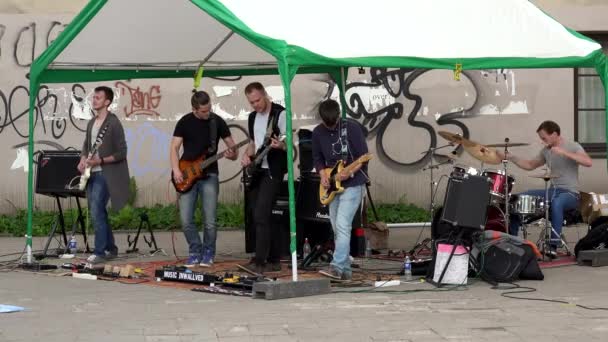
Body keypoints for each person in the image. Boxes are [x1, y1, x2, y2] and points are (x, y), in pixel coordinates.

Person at [499, 120, 592, 257]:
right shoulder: (546, 151)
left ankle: (553, 245)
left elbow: (588, 162)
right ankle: (513, 241)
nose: (542, 141)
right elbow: (530, 165)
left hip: (570, 194)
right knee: (518, 198)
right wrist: (512, 157)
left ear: (554, 134)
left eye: (544, 138)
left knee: (557, 202)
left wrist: (564, 153)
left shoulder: (573, 146)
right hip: (553, 191)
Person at [171, 91, 238, 267]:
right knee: (186, 220)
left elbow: (233, 151)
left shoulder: (217, 122)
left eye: (209, 109)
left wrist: (232, 154)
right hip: (186, 173)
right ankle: (195, 250)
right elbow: (174, 148)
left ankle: (208, 252)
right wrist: (176, 170)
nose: (207, 113)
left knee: (210, 220)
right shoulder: (184, 122)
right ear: (194, 109)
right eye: (203, 111)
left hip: (210, 175)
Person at [312, 99, 369, 280]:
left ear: (338, 116)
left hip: (353, 184)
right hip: (332, 185)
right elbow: (317, 157)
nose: (330, 127)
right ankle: (345, 272)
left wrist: (350, 172)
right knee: (337, 228)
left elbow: (363, 156)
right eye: (326, 123)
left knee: (343, 225)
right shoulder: (317, 132)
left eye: (333, 123)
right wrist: (322, 175)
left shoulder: (351, 128)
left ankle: (336, 267)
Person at [78, 86, 130, 264]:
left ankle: (99, 251)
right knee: (98, 211)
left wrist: (100, 161)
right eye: (94, 97)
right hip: (91, 172)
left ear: (107, 102)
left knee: (96, 211)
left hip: (106, 174)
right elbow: (87, 144)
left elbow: (122, 152)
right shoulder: (92, 122)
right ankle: (111, 248)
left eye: (98, 98)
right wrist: (83, 159)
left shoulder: (113, 123)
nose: (94, 100)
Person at [240, 82, 287, 274]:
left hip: (273, 170)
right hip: (257, 169)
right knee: (257, 214)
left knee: (261, 213)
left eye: (258, 100)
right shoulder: (252, 117)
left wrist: (280, 146)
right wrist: (246, 155)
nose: (255, 105)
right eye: (251, 102)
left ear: (265, 95)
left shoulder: (280, 114)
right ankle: (273, 258)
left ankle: (260, 261)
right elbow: (253, 143)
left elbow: (289, 143)